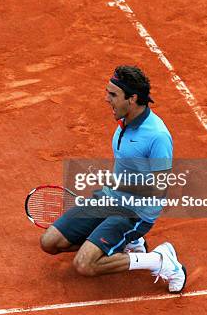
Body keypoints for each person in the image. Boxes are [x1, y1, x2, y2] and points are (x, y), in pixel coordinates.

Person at [39, 65, 187, 293]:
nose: (106, 99)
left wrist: (120, 185)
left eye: (113, 95)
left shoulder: (157, 136)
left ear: (133, 98)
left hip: (134, 213)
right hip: (109, 199)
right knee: (49, 242)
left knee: (84, 264)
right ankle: (126, 244)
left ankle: (159, 259)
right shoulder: (124, 122)